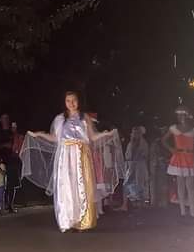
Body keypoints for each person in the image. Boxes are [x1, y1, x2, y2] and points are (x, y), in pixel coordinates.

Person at [21, 91, 122, 232]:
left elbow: (92, 137)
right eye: (68, 101)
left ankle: (83, 221)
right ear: (65, 102)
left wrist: (106, 134)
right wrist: (39, 135)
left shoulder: (84, 117)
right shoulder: (60, 119)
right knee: (67, 186)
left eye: (74, 100)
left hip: (81, 154)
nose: (71, 103)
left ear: (78, 101)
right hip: (66, 155)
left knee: (83, 185)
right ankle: (69, 220)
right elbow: (55, 138)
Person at [162, 106, 194, 217]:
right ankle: (183, 212)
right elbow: (164, 140)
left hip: (189, 157)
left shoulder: (193, 130)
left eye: (183, 115)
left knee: (190, 186)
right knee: (180, 185)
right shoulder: (174, 128)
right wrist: (171, 149)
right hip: (179, 157)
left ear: (186, 116)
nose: (181, 117)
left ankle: (192, 212)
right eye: (179, 115)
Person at [0, 113, 20, 213]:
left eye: (7, 118)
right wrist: (4, 145)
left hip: (12, 159)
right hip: (1, 160)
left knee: (12, 183)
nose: (6, 120)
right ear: (0, 120)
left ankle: (10, 205)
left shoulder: (13, 132)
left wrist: (15, 133)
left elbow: (18, 144)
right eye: (3, 118)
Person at [117, 126, 149, 212]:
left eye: (135, 132)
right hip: (131, 166)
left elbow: (142, 155)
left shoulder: (142, 143)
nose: (133, 134)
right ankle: (125, 205)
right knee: (127, 185)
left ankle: (140, 205)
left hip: (138, 167)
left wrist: (134, 162)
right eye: (133, 132)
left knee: (139, 185)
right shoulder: (131, 143)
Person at [148, 126, 171, 208]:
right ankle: (154, 201)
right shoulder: (156, 142)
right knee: (154, 183)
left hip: (163, 165)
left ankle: (163, 202)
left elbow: (169, 153)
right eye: (162, 130)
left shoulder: (168, 142)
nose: (163, 132)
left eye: (165, 130)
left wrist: (166, 159)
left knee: (164, 183)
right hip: (156, 164)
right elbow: (152, 154)